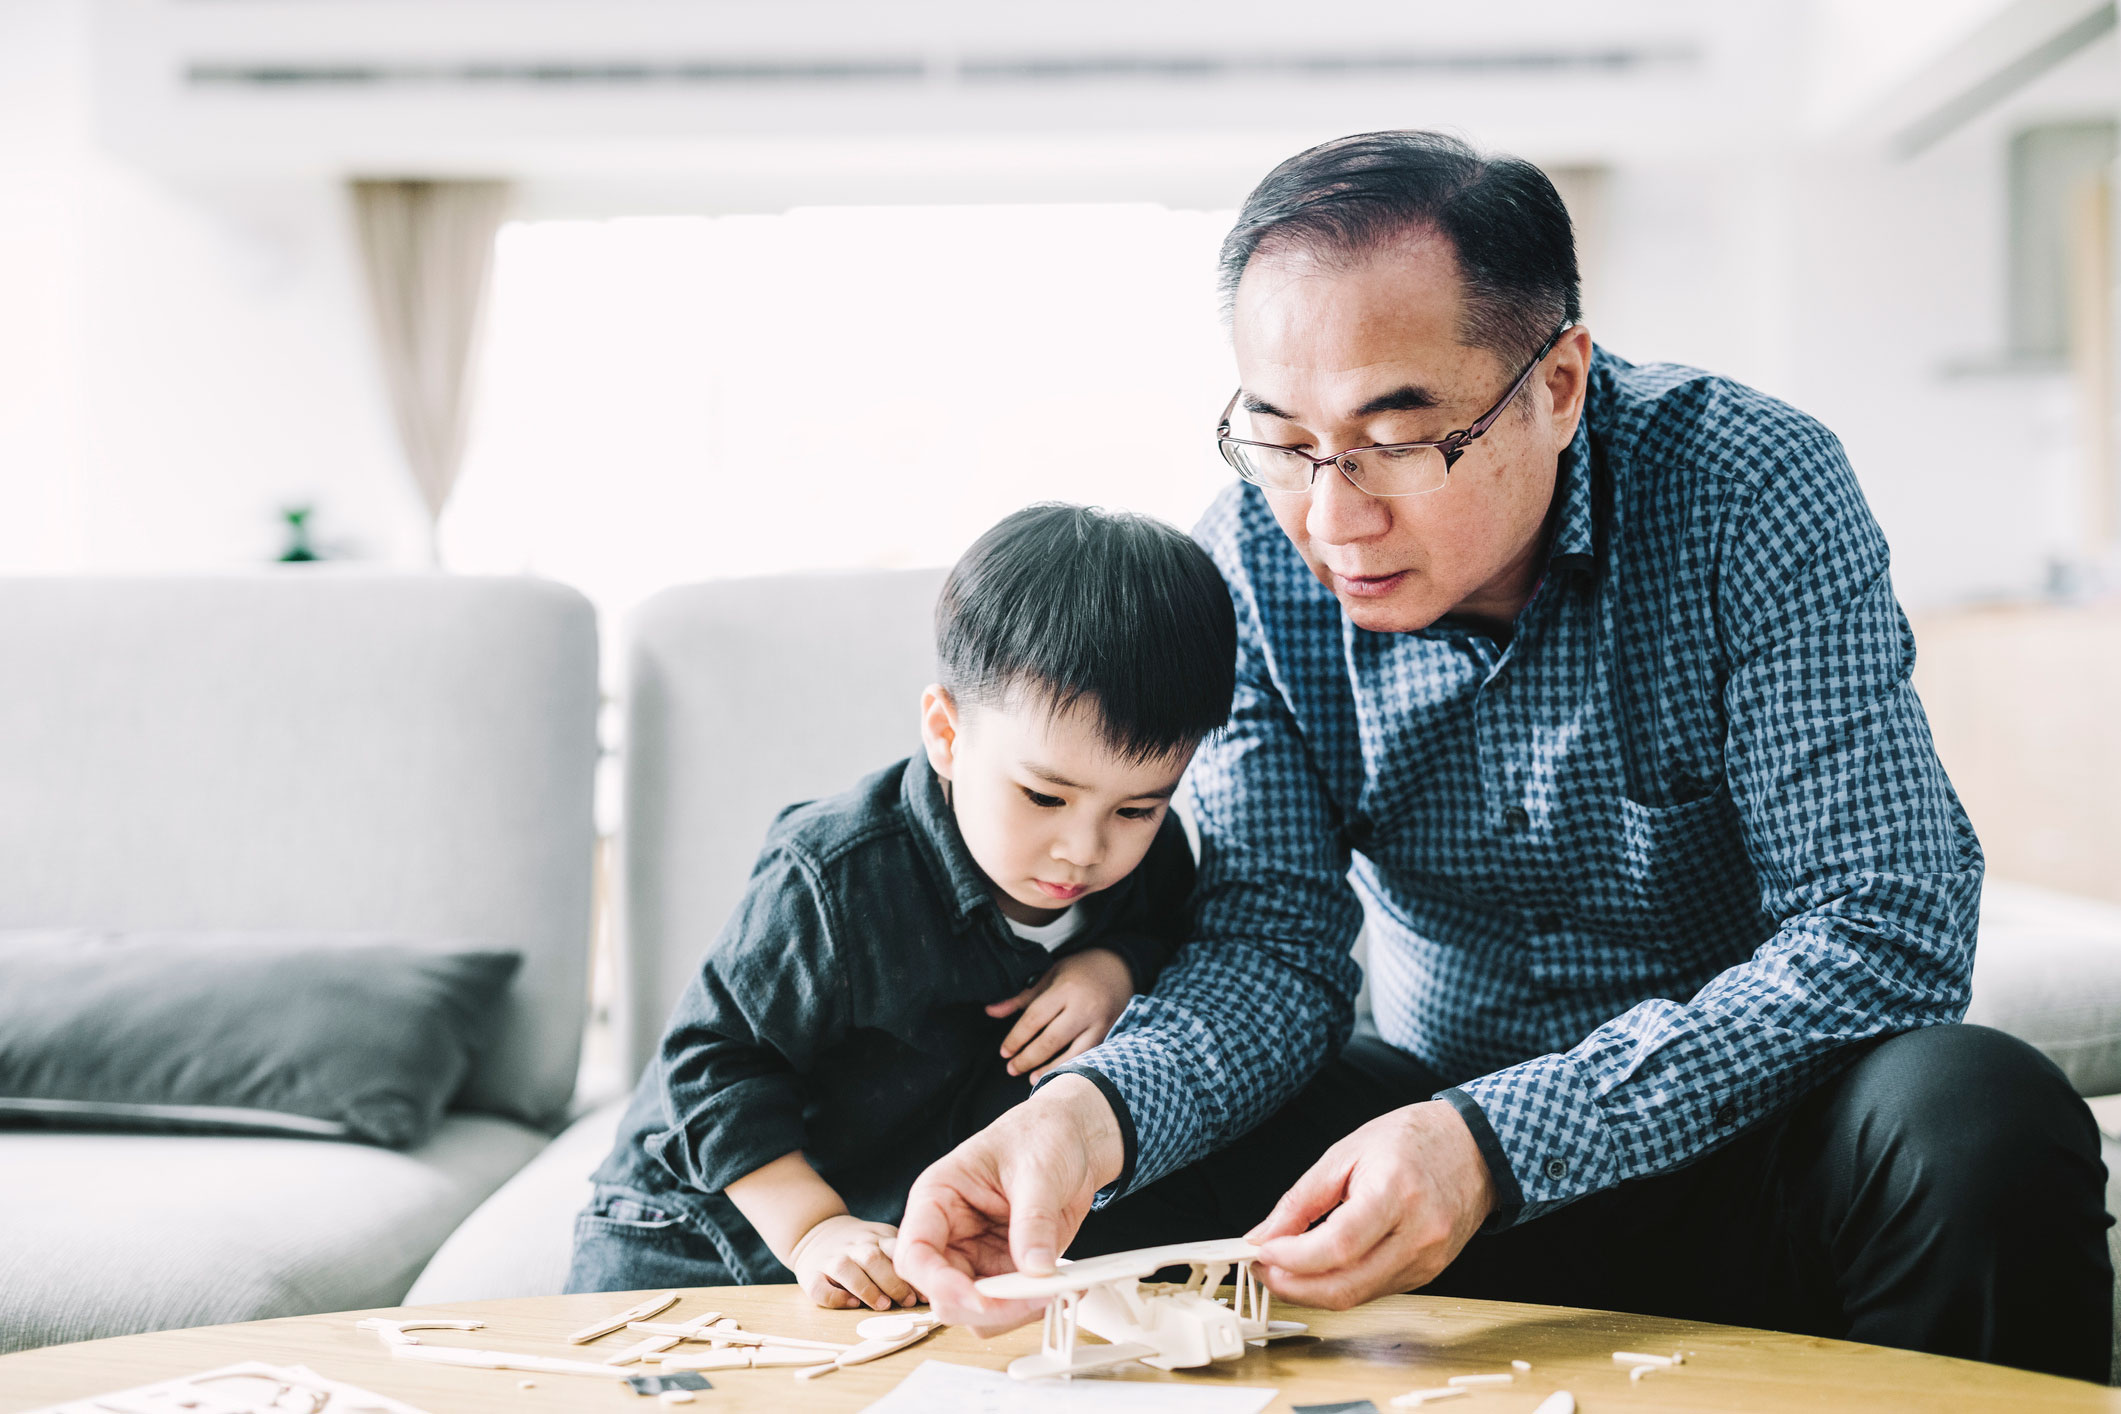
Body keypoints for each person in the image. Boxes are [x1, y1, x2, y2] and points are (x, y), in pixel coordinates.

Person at [897, 131, 2113, 1380]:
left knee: (1979, 1116)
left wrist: (1500, 1139)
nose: (1331, 518)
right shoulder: (1251, 566)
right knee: (1106, 1168)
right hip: (1400, 1149)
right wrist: (1089, 1116)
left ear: (1561, 384)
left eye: (1398, 438)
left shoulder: (1747, 488)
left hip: (1746, 1143)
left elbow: (1884, 926)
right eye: (1281, 438)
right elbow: (1272, 947)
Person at [567, 502, 1237, 1311]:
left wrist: (1114, 965)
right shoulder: (833, 874)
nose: (1085, 849)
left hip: (897, 1236)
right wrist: (814, 1229)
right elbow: (709, 1066)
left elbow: (1177, 936)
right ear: (947, 734)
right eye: (1042, 796)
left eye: (1136, 809)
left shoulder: (1148, 856)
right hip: (706, 1228)